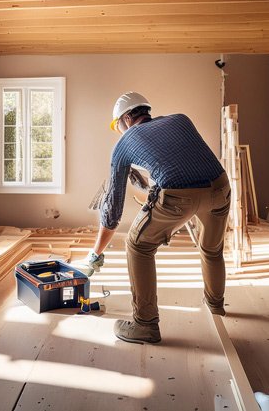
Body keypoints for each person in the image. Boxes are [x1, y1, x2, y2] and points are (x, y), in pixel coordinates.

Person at [86, 91, 230, 344]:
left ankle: (145, 325)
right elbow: (182, 164)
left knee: (138, 245)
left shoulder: (124, 142)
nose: (118, 130)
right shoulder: (180, 120)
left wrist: (96, 252)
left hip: (179, 197)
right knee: (212, 249)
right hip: (219, 188)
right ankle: (216, 305)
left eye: (117, 124)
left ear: (127, 118)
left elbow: (113, 211)